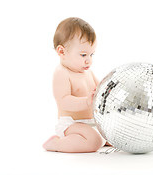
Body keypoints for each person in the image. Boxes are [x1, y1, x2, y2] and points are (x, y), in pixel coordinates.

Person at [43, 17, 106, 153]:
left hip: (92, 122)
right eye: (83, 55)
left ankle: (101, 138)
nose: (89, 60)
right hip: (72, 124)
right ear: (62, 52)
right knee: (94, 142)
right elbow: (64, 101)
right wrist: (85, 101)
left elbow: (101, 87)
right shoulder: (62, 73)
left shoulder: (88, 72)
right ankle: (56, 144)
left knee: (112, 135)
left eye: (91, 54)